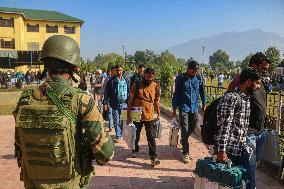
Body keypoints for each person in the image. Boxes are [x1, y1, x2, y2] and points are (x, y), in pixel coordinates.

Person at [13, 35, 114, 189]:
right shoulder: (82, 101)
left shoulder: (25, 99)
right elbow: (105, 154)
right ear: (74, 66)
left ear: (46, 64)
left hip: (32, 182)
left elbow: (19, 143)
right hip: (70, 183)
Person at [217, 68, 261, 189]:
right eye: (256, 83)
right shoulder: (231, 98)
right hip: (229, 151)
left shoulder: (246, 99)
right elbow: (224, 127)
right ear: (248, 82)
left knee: (240, 182)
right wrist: (222, 151)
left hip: (240, 149)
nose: (258, 87)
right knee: (226, 183)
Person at [228, 52, 272, 163]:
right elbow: (229, 101)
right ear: (254, 66)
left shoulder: (261, 81)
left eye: (267, 69)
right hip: (248, 132)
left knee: (253, 163)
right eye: (263, 68)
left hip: (260, 130)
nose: (265, 71)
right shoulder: (240, 81)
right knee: (248, 164)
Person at [172, 60, 206, 163]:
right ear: (188, 69)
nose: (195, 72)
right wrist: (174, 109)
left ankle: (184, 139)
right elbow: (176, 94)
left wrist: (204, 103)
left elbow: (202, 91)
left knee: (193, 126)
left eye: (196, 71)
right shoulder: (181, 78)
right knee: (185, 129)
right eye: (193, 70)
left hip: (194, 107)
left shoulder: (199, 78)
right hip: (184, 107)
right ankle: (185, 153)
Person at [127, 68, 161, 166]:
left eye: (151, 77)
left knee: (151, 137)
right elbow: (130, 100)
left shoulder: (155, 86)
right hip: (137, 114)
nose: (148, 79)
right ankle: (135, 149)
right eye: (147, 76)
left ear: (153, 77)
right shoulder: (136, 84)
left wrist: (158, 113)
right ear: (144, 75)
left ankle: (153, 157)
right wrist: (129, 115)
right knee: (136, 135)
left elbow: (156, 101)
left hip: (149, 115)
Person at [103, 65, 130, 142]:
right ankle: (118, 135)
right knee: (116, 120)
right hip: (115, 103)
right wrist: (105, 102)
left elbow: (129, 91)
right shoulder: (111, 80)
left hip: (124, 104)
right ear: (115, 71)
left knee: (123, 120)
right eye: (117, 70)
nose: (119, 72)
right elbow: (106, 92)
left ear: (122, 70)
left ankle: (121, 132)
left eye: (120, 70)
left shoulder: (126, 80)